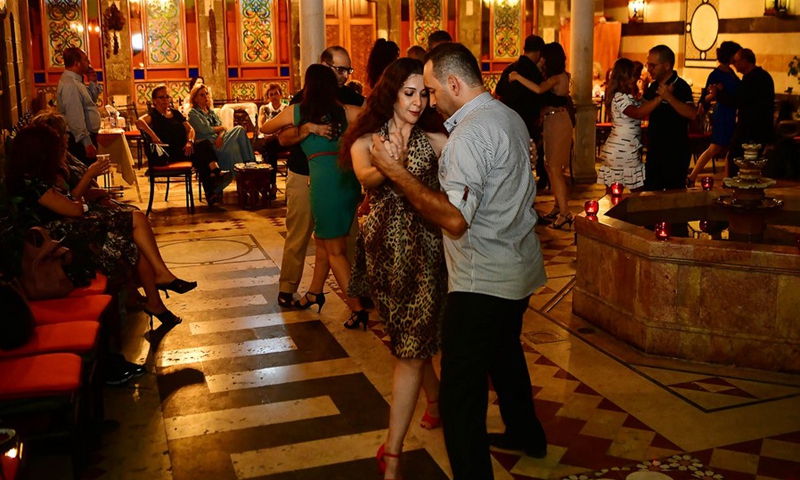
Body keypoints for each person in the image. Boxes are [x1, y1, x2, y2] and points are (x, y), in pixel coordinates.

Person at [369, 42, 548, 480]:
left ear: (453, 83)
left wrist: (396, 173)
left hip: (482, 280)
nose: (429, 100)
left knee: (460, 396)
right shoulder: (506, 115)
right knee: (505, 356)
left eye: (431, 90)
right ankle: (527, 434)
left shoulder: (467, 136)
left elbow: (454, 219)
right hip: (519, 266)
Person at [340, 58, 448, 480]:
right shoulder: (367, 140)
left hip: (427, 252)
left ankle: (394, 453)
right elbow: (367, 177)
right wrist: (389, 164)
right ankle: (435, 402)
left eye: (424, 93)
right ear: (391, 94)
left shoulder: (435, 138)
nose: (418, 102)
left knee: (412, 348)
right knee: (409, 342)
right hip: (384, 255)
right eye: (409, 93)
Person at [6, 126, 197, 328]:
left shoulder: (33, 178)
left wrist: (80, 201)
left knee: (135, 233)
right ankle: (158, 286)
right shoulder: (31, 183)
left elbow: (69, 202)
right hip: (56, 248)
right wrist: (83, 196)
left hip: (65, 235)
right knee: (134, 227)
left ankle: (156, 296)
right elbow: (73, 209)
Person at [262, 64, 367, 327]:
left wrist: (305, 128)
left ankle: (357, 309)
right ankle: (314, 293)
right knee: (323, 242)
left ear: (308, 86)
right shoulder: (347, 111)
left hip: (324, 186)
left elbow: (266, 128)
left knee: (334, 251)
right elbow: (378, 117)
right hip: (348, 182)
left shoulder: (299, 112)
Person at [509, 42, 574, 230]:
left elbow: (538, 89)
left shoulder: (556, 78)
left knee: (554, 168)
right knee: (549, 165)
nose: (542, 60)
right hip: (554, 120)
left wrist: (517, 77)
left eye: (544, 57)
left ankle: (565, 214)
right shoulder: (560, 76)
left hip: (558, 121)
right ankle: (558, 206)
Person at [137, 85, 229, 205]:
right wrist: (154, 136)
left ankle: (213, 180)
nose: (165, 100)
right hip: (168, 154)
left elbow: (190, 129)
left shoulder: (175, 113)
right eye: (162, 97)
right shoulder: (153, 115)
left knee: (204, 147)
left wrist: (190, 141)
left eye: (167, 97)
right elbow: (139, 122)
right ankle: (214, 180)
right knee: (203, 155)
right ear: (155, 100)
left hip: (184, 149)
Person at [598, 58, 662, 191]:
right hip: (622, 151)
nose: (635, 79)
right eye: (631, 76)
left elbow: (642, 105)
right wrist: (660, 99)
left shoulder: (627, 97)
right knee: (632, 191)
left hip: (627, 148)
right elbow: (637, 113)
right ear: (622, 77)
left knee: (620, 191)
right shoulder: (619, 97)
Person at [495, 34, 548, 191]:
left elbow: (499, 90)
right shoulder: (534, 72)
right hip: (528, 122)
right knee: (529, 158)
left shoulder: (511, 68)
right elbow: (542, 95)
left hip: (508, 121)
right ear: (539, 52)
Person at [641, 45, 697, 191]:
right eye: (648, 65)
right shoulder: (653, 86)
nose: (649, 69)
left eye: (653, 66)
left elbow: (692, 113)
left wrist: (669, 98)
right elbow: (641, 108)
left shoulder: (681, 86)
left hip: (675, 151)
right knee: (651, 192)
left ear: (666, 65)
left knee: (674, 194)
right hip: (655, 149)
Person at [714, 47, 775, 177]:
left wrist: (718, 94)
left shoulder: (751, 80)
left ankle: (735, 185)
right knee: (751, 163)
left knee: (736, 158)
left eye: (736, 61)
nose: (733, 64)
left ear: (744, 61)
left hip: (749, 128)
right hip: (763, 127)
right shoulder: (765, 76)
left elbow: (737, 100)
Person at [687, 41, 741, 186]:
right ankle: (693, 176)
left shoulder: (730, 72)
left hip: (730, 112)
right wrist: (714, 93)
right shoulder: (716, 74)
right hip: (722, 112)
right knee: (715, 147)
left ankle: (728, 178)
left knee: (729, 147)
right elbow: (705, 98)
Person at [187, 84, 256, 170]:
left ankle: (241, 171)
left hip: (220, 140)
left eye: (207, 94)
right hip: (209, 144)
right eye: (202, 95)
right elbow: (206, 129)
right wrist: (222, 128)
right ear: (195, 99)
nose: (206, 97)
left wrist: (220, 136)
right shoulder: (193, 113)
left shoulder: (211, 112)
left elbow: (222, 127)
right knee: (239, 129)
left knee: (235, 146)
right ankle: (250, 162)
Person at [58, 47, 101, 165]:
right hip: (79, 141)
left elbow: (91, 101)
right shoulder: (70, 85)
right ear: (77, 63)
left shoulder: (77, 81)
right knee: (87, 172)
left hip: (85, 138)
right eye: (86, 59)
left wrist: (92, 82)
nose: (89, 62)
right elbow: (75, 116)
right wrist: (87, 143)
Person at [255, 83, 286, 197]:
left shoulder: (286, 108)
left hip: (282, 139)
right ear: (268, 97)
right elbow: (260, 124)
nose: (274, 97)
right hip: (267, 138)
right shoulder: (264, 108)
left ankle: (268, 183)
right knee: (269, 147)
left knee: (270, 148)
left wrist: (276, 134)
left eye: (276, 93)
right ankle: (269, 184)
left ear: (281, 95)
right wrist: (265, 131)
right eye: (271, 94)